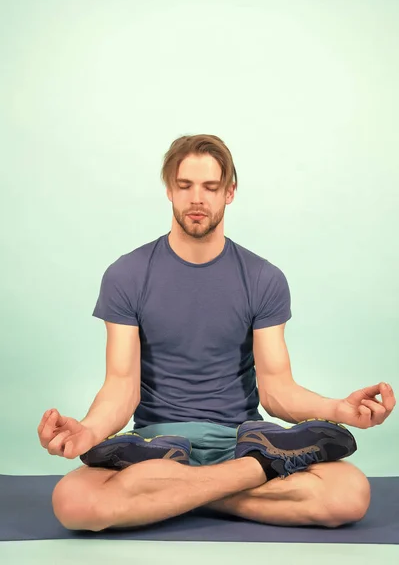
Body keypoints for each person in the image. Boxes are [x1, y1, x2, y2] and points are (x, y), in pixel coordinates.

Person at [38, 134, 396, 532]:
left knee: (349, 493)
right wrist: (88, 430)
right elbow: (122, 386)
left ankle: (169, 500)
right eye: (185, 185)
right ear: (170, 190)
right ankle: (253, 474)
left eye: (210, 187)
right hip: (156, 450)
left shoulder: (263, 278)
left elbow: (276, 390)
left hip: (242, 442)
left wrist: (338, 410)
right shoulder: (127, 275)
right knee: (72, 502)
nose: (197, 198)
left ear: (230, 193)